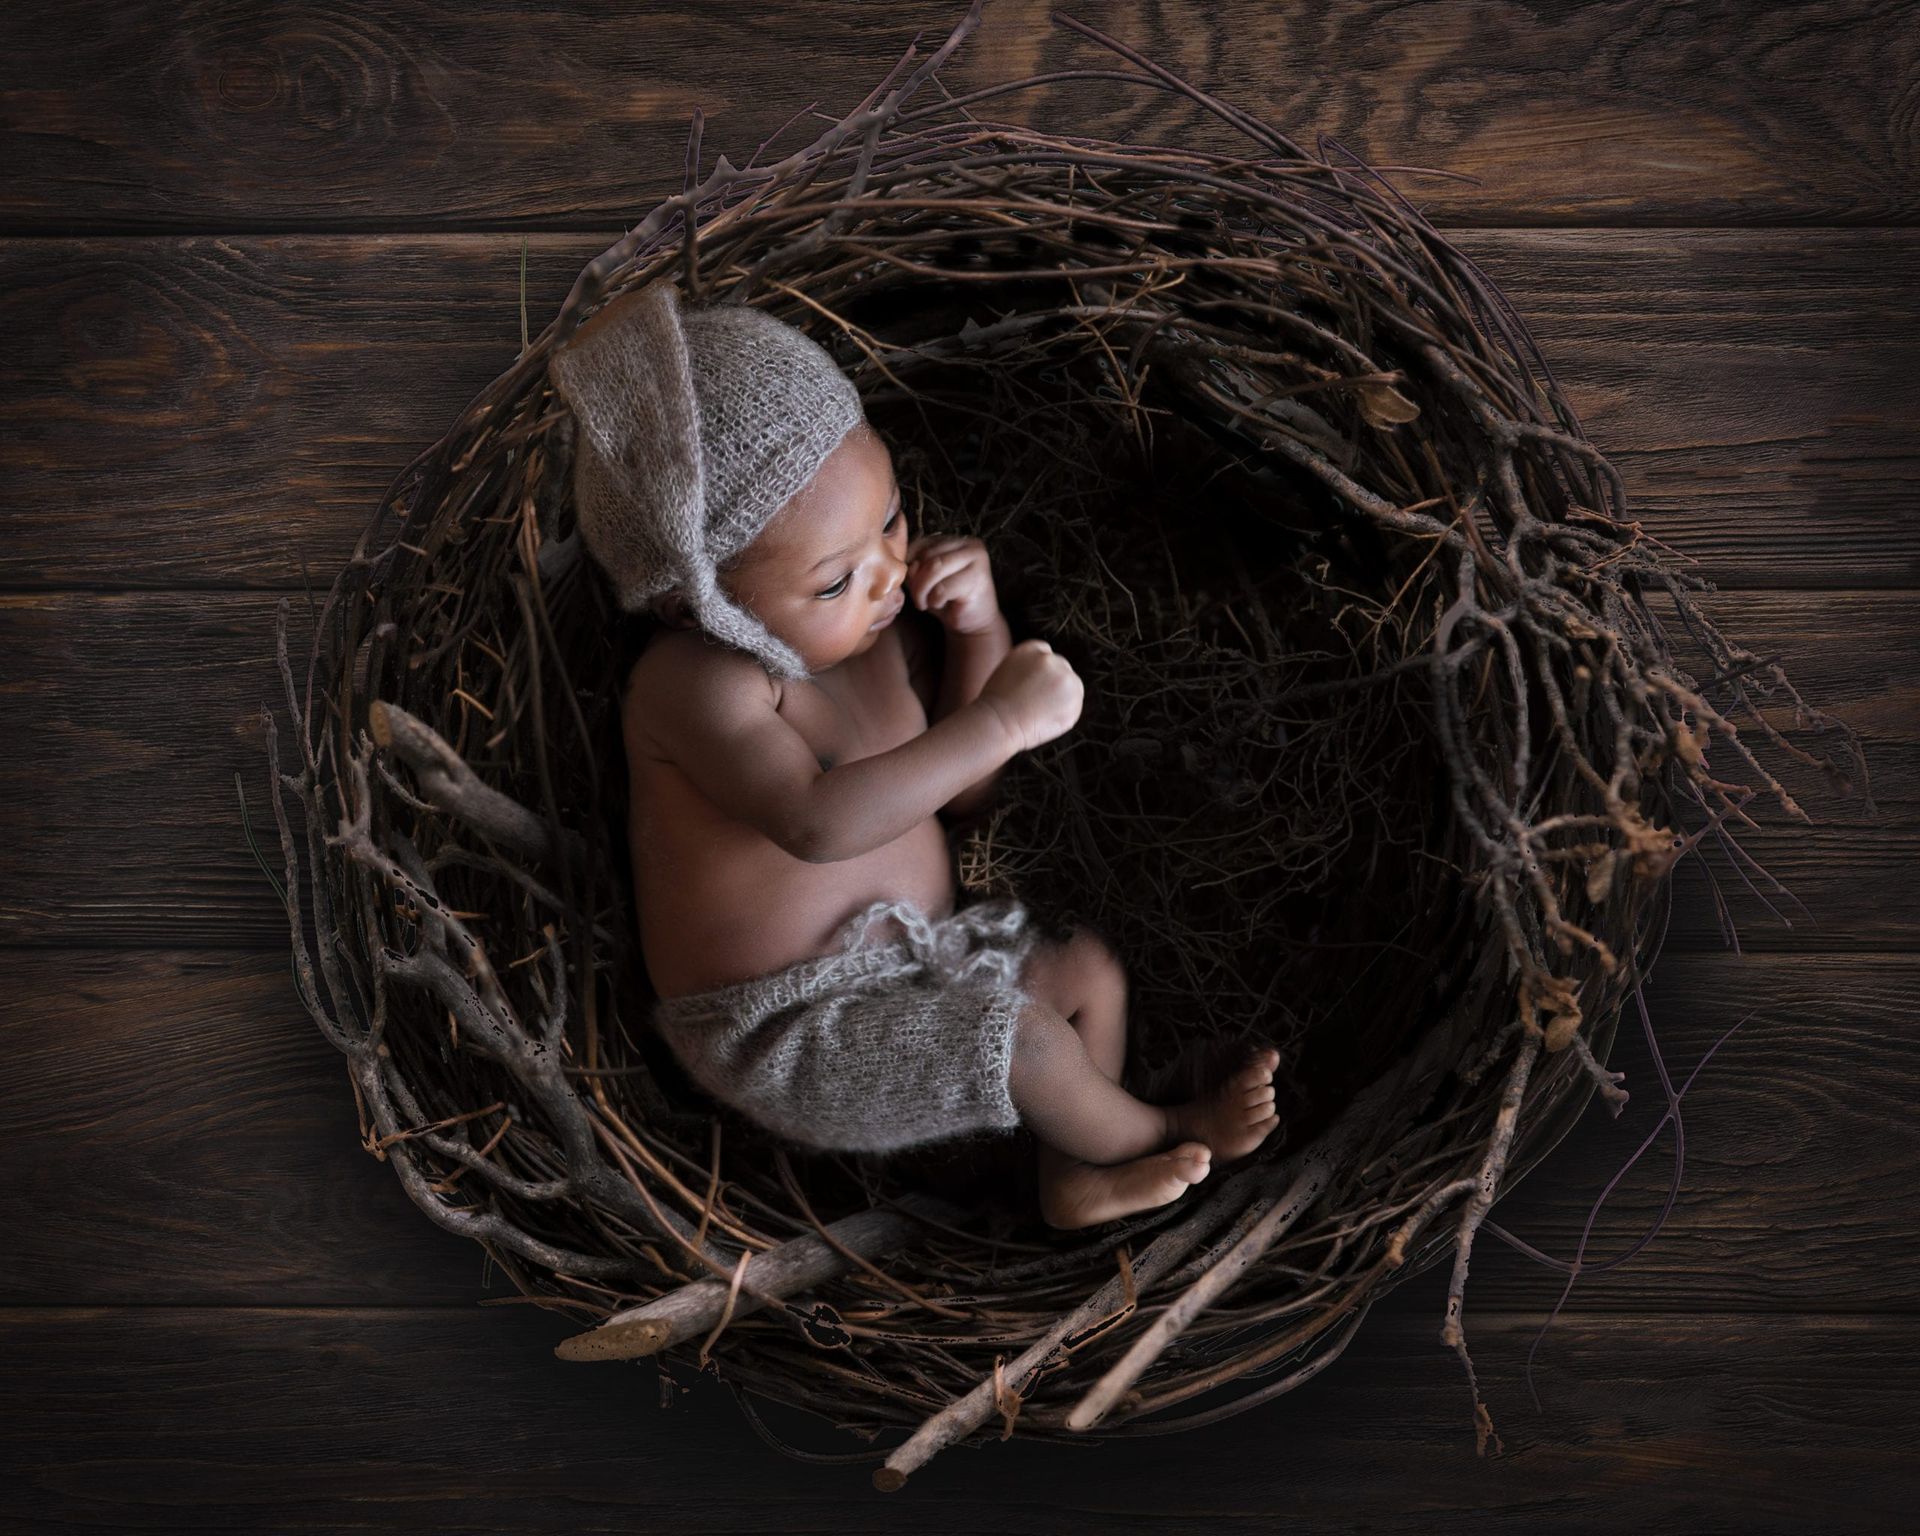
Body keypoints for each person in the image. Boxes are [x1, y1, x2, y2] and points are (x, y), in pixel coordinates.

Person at [547, 276, 1279, 1229]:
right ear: (702, 609)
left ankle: (1074, 1173)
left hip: (927, 965)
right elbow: (817, 823)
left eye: (889, 517)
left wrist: (979, 631)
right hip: (791, 1026)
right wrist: (1003, 721)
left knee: (1086, 973)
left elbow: (963, 790)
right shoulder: (700, 685)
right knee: (1018, 1040)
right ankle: (1156, 1129)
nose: (890, 573)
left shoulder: (880, 635)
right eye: (837, 578)